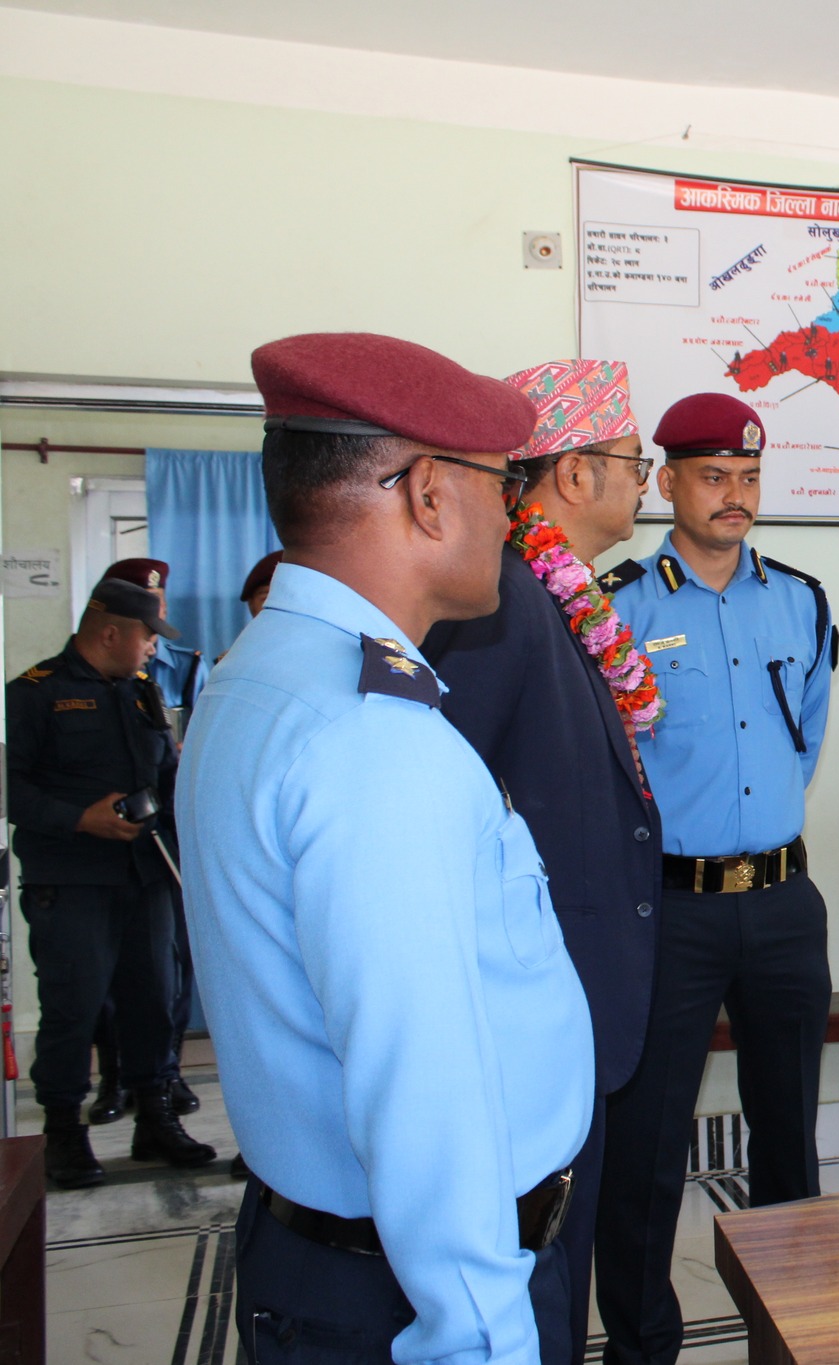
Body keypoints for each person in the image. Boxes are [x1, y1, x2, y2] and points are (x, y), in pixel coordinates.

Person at [179, 331, 594, 1365]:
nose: (514, 517)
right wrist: (482, 1341)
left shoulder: (263, 672)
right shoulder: (372, 740)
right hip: (413, 1295)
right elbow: (422, 1093)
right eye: (503, 485)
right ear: (427, 494)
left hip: (322, 1257)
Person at [424, 358, 663, 1356]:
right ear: (572, 472)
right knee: (543, 1276)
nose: (642, 482)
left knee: (567, 1264)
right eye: (632, 462)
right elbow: (451, 809)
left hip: (577, 1003)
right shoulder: (505, 603)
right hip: (534, 1010)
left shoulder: (561, 601)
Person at [595, 392, 836, 1365]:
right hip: (670, 910)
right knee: (647, 1149)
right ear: (665, 484)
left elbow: (804, 740)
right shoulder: (617, 607)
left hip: (782, 904)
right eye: (712, 477)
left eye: (748, 477)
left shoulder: (801, 599)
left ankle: (790, 1333)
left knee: (789, 1138)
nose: (733, 495)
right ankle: (641, 1346)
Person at [6, 578, 215, 1188]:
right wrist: (80, 818)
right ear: (109, 633)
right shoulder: (35, 693)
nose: (153, 647)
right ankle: (63, 1134)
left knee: (155, 1000)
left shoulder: (142, 691)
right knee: (73, 1008)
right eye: (148, 636)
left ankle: (155, 1118)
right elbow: (13, 789)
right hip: (72, 879)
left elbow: (167, 776)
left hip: (146, 875)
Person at [92, 557, 205, 1122]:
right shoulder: (77, 679)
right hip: (96, 851)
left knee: (169, 969)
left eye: (158, 606)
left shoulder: (185, 667)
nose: (154, 623)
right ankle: (116, 1079)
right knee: (104, 978)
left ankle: (165, 1075)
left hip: (163, 843)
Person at [104, 558, 212, 716]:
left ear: (165, 607)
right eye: (139, 601)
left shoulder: (188, 668)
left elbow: (209, 725)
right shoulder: (97, 667)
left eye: (155, 600)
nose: (148, 610)